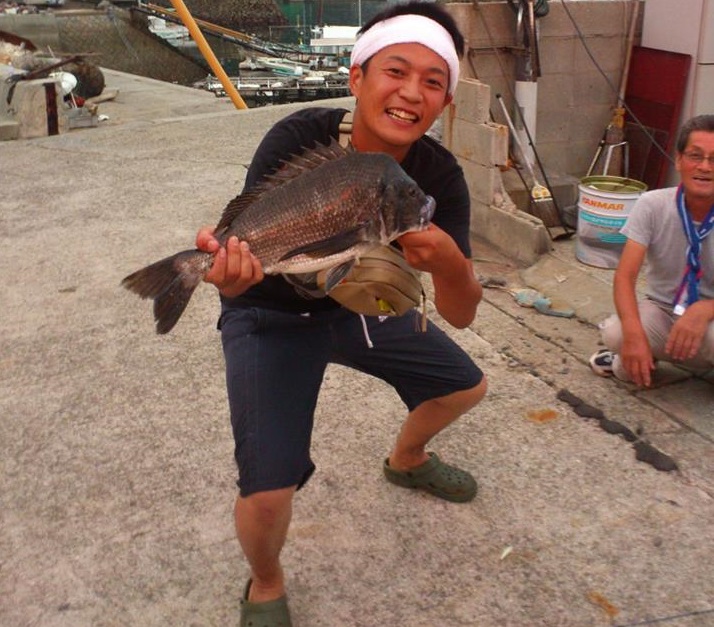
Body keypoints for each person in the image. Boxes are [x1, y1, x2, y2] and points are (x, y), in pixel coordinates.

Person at [196, 2, 487, 624]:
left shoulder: (438, 178)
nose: (412, 92)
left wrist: (450, 263)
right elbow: (249, 241)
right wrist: (230, 273)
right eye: (396, 71)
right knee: (269, 490)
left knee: (465, 386)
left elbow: (462, 313)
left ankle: (407, 461)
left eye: (433, 82)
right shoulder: (300, 137)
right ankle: (266, 584)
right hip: (269, 313)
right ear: (357, 78)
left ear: (445, 102)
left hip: (364, 307)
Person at [590, 114, 714, 388]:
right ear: (679, 160)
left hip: (710, 324)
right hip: (663, 311)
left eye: (713, 159)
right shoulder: (652, 205)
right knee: (616, 333)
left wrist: (706, 308)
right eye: (696, 155)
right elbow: (625, 276)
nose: (705, 167)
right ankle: (632, 357)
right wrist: (634, 336)